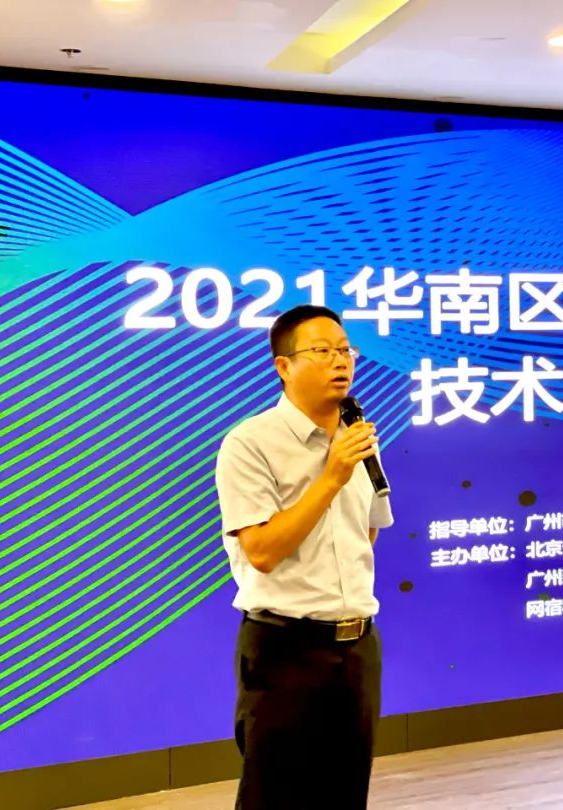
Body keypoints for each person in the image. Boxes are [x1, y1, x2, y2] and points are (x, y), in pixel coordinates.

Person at [215, 304, 393, 810]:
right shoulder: (250, 444)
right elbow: (262, 552)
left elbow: (365, 533)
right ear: (284, 366)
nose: (340, 361)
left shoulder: (357, 438)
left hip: (357, 650)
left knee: (345, 794)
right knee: (275, 798)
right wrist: (331, 477)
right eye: (322, 351)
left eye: (345, 350)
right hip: (285, 650)